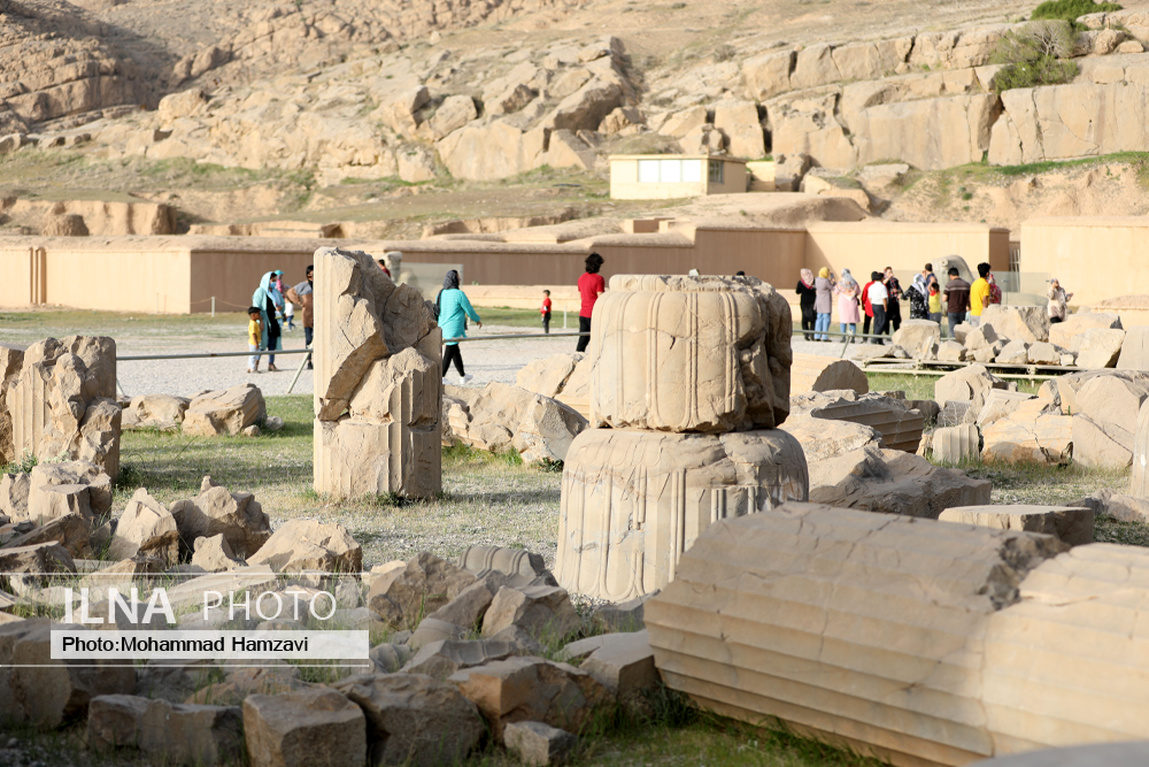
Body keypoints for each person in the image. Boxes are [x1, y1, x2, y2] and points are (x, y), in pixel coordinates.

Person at [437, 269, 482, 383]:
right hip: (453, 327)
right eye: (458, 277)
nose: (460, 279)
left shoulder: (441, 293)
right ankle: (441, 377)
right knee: (450, 349)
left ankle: (463, 376)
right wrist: (477, 319)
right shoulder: (459, 294)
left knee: (454, 349)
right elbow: (469, 309)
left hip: (442, 326)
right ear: (454, 279)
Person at [252, 270, 283, 372]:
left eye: (275, 280)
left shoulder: (276, 292)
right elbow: (256, 308)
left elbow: (282, 303)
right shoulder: (260, 291)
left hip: (274, 321)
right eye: (272, 280)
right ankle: (256, 364)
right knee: (262, 344)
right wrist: (260, 321)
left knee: (272, 344)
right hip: (264, 322)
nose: (274, 282)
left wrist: (280, 308)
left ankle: (271, 363)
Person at [285, 264, 314, 370]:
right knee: (308, 339)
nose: (313, 278)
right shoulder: (303, 285)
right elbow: (290, 292)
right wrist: (299, 301)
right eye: (310, 275)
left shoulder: (321, 284)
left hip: (319, 317)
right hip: (307, 316)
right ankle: (309, 361)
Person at [576, 253, 605, 353]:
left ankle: (577, 359)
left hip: (583, 313)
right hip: (594, 313)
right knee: (598, 339)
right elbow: (600, 297)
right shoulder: (599, 279)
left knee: (582, 341)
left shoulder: (581, 278)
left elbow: (581, 296)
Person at [943, 266, 971, 338]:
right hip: (962, 310)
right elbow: (969, 298)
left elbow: (944, 298)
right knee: (961, 330)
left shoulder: (949, 285)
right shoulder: (966, 285)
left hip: (952, 310)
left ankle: (955, 344)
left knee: (953, 330)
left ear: (951, 275)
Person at [836, 269, 860, 339]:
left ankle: (843, 337)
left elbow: (836, 292)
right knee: (852, 321)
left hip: (843, 303)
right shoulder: (854, 283)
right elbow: (858, 292)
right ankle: (852, 337)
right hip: (852, 303)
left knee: (843, 320)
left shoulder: (840, 284)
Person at [814, 267, 835, 341]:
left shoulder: (816, 280)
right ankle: (824, 336)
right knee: (826, 319)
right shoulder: (826, 281)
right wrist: (833, 280)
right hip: (825, 302)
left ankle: (817, 335)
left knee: (819, 318)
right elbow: (833, 288)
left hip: (819, 301)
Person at [867, 271, 888, 343]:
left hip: (874, 304)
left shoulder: (871, 286)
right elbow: (884, 298)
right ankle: (875, 337)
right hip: (880, 305)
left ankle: (879, 340)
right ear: (882, 279)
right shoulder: (882, 287)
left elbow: (869, 297)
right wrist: (885, 307)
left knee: (877, 321)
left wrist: (872, 303)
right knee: (882, 322)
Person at [796, 268, 817, 341]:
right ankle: (812, 334)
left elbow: (797, 291)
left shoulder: (801, 282)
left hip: (804, 302)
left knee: (804, 319)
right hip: (812, 302)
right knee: (813, 319)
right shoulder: (813, 282)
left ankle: (806, 334)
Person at [969, 262, 991, 327]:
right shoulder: (985, 284)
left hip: (973, 312)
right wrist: (986, 312)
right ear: (987, 273)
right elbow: (985, 299)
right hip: (981, 313)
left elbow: (970, 297)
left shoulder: (974, 284)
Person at [882, 266, 902, 337]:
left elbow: (900, 289)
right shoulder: (884, 280)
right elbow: (883, 284)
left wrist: (897, 291)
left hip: (894, 301)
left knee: (896, 319)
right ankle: (887, 334)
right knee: (887, 319)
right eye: (889, 272)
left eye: (891, 272)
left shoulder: (895, 281)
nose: (891, 273)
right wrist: (889, 278)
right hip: (888, 302)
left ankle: (897, 334)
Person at [246, 306, 263, 374]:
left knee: (254, 355)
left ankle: (250, 367)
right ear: (253, 315)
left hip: (255, 342)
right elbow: (253, 334)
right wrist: (256, 343)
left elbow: (261, 329)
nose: (259, 315)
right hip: (253, 342)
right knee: (253, 355)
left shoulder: (255, 322)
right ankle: (252, 368)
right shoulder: (252, 324)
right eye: (258, 314)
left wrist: (261, 320)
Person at [861, 272, 876, 338]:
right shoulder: (881, 284)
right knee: (876, 323)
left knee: (866, 323)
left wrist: (863, 303)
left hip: (868, 306)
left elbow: (864, 295)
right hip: (877, 306)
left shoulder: (868, 284)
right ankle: (875, 337)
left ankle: (865, 337)